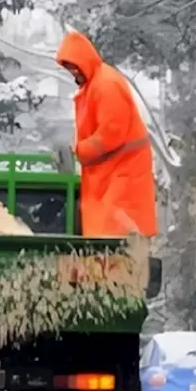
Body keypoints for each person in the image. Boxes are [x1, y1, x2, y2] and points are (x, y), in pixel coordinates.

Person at [55, 31, 158, 238]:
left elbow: (110, 134)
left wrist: (80, 151)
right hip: (113, 172)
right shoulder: (96, 84)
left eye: (73, 66)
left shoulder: (106, 85)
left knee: (115, 235)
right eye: (69, 68)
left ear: (84, 60)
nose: (73, 72)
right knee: (107, 235)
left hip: (123, 174)